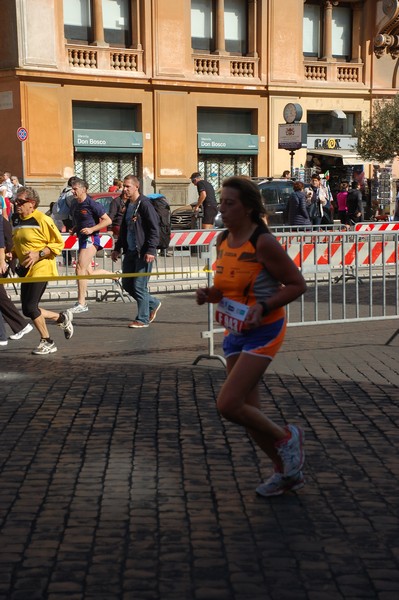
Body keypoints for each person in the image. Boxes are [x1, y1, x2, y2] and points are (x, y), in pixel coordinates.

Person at [196, 176, 307, 497]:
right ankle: (287, 473)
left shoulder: (263, 242)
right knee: (249, 412)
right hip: (236, 330)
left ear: (247, 207)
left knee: (229, 404)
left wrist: (265, 306)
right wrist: (211, 294)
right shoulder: (223, 240)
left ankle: (288, 438)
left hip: (265, 330)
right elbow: (228, 285)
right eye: (222, 202)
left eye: (230, 203)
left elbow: (298, 285)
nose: (222, 209)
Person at [11, 187, 74, 355]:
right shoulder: (16, 220)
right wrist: (12, 253)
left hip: (41, 267)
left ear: (32, 204)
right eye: (15, 201)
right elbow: (19, 243)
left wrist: (38, 254)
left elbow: (58, 244)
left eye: (20, 202)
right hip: (25, 269)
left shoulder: (43, 219)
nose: (16, 204)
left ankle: (47, 341)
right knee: (27, 309)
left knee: (31, 307)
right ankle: (61, 318)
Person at [111, 175, 161, 328]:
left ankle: (142, 319)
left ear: (136, 187)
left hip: (143, 252)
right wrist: (117, 248)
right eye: (123, 186)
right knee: (127, 284)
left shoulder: (145, 204)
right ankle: (153, 303)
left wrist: (151, 249)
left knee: (139, 286)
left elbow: (154, 228)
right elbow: (125, 229)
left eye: (127, 186)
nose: (124, 189)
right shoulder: (128, 205)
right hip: (130, 251)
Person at [68, 178, 113, 313]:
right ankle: (116, 276)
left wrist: (92, 229)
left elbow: (107, 220)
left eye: (75, 189)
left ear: (83, 189)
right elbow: (82, 221)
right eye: (72, 188)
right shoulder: (75, 204)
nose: (73, 191)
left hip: (91, 238)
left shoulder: (92, 204)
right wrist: (75, 228)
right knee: (88, 272)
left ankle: (81, 303)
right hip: (82, 238)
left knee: (79, 269)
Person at [0, 213, 33, 345]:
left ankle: (21, 325)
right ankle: (3, 335)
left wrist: (5, 261)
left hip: (3, 262)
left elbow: (6, 242)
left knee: (1, 297)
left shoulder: (2, 221)